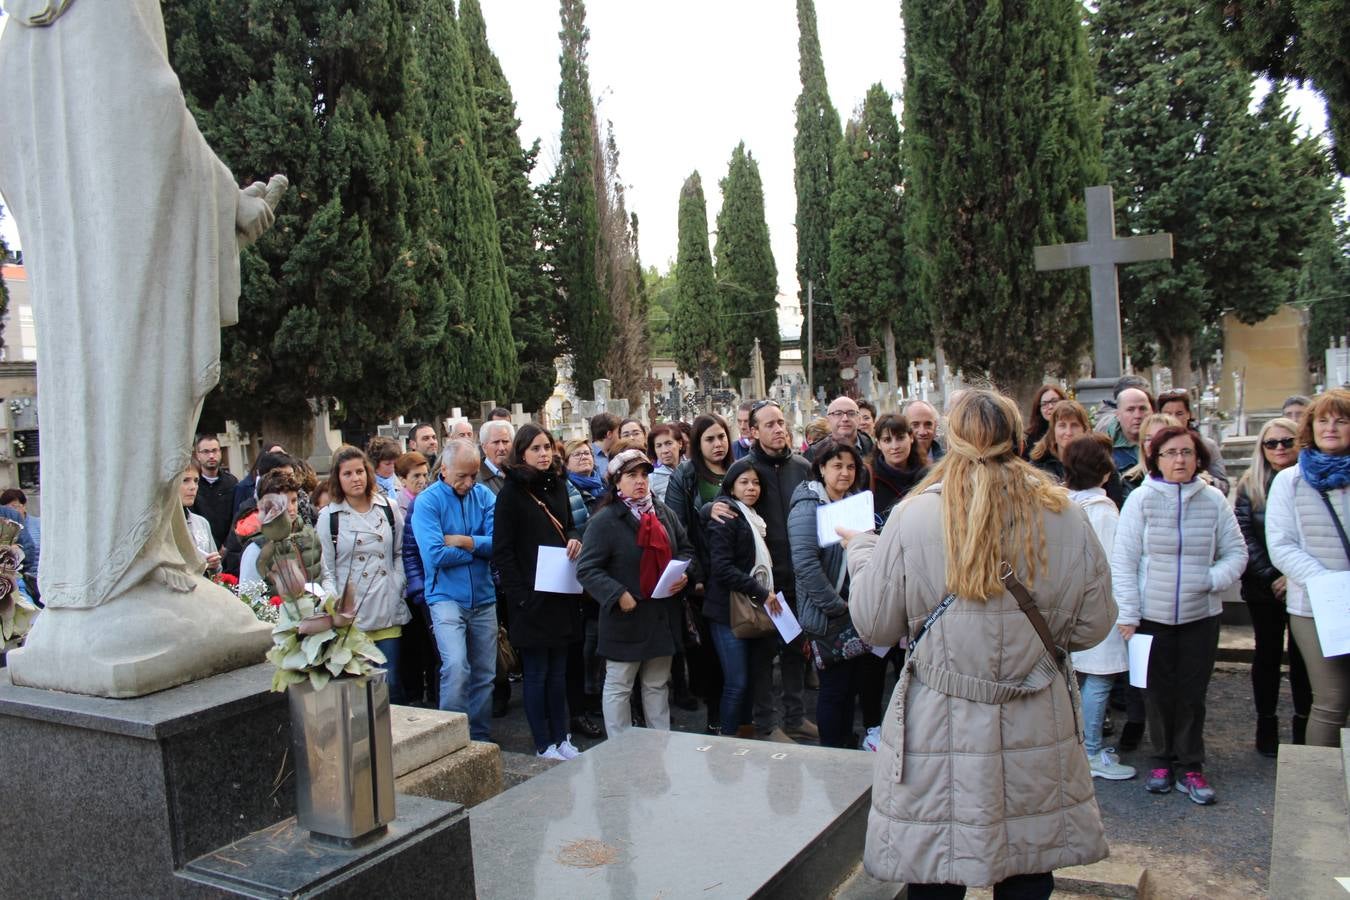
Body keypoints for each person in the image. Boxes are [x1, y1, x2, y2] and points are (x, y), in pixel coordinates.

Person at [0, 0, 288, 697]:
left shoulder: (15, 31)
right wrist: (227, 202)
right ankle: (127, 577)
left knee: (87, 400)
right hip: (125, 265)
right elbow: (151, 107)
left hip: (73, 286)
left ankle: (104, 579)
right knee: (139, 387)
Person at [843, 389, 1115, 894]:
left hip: (941, 715)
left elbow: (875, 625)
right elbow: (1093, 625)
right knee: (1028, 866)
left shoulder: (914, 515)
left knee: (937, 861)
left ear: (953, 438)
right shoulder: (1065, 514)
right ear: (1018, 437)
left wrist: (861, 552)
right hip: (1035, 710)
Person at [1113, 425, 1247, 803]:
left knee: (1191, 694)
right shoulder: (1141, 499)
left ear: (1198, 458)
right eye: (1170, 453)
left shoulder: (1213, 501)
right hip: (1151, 617)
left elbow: (1236, 553)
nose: (1179, 460)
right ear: (1155, 459)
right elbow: (1124, 560)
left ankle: (1190, 765)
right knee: (1155, 692)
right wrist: (1129, 612)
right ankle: (1160, 760)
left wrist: (1208, 579)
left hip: (1199, 616)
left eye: (1186, 453)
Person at [577, 449, 694, 737]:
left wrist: (684, 575)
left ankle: (659, 743)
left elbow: (686, 548)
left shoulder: (662, 512)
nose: (640, 481)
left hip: (659, 615)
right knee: (619, 686)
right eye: (631, 475)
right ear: (617, 481)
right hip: (625, 618)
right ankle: (621, 748)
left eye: (644, 474)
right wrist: (617, 594)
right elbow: (587, 569)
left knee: (656, 684)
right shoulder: (604, 521)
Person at [493, 424, 583, 760]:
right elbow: (503, 550)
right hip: (530, 599)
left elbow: (569, 523)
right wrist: (520, 597)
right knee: (536, 674)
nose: (544, 454)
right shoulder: (511, 494)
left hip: (559, 590)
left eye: (547, 447)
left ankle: (562, 737)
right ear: (522, 453)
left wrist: (575, 537)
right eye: (536, 449)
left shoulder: (558, 484)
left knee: (559, 671)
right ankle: (543, 742)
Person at [1267, 388, 1350, 748]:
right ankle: (1322, 790)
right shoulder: (1291, 480)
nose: (1330, 427)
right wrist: (1327, 583)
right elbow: (1281, 544)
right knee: (1331, 700)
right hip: (1316, 606)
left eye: (1341, 420)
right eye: (1322, 420)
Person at [735, 400, 817, 743]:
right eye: (769, 424)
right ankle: (767, 724)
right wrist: (714, 509)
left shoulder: (802, 465)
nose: (779, 428)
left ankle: (796, 717)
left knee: (796, 650)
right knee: (764, 656)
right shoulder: (747, 468)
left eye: (781, 422)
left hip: (799, 575)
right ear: (753, 431)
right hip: (765, 581)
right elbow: (727, 500)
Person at [1234, 417, 1311, 754]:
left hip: (1304, 582)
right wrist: (1271, 576)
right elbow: (1245, 536)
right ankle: (1266, 723)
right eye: (1271, 443)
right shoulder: (1250, 485)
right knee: (1266, 653)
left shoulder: (1309, 481)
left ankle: (1304, 723)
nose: (1279, 448)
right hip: (1263, 587)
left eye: (1286, 441)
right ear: (1261, 449)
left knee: (1303, 656)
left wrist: (1293, 575)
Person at [412, 440, 498, 741]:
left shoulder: (484, 495)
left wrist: (464, 542)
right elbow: (435, 554)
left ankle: (480, 735)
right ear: (444, 469)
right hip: (445, 596)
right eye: (462, 476)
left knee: (486, 673)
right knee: (457, 667)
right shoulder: (427, 501)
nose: (469, 482)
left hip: (484, 596)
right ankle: (450, 738)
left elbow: (498, 543)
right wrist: (478, 548)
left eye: (473, 475)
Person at [1061, 434, 1135, 781]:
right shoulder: (1103, 514)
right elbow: (1111, 565)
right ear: (1105, 472)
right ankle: (1089, 750)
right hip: (1097, 604)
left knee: (1075, 678)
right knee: (1100, 678)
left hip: (1065, 603)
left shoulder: (1060, 505)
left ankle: (1073, 746)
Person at [789, 440, 869, 749]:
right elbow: (806, 565)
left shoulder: (851, 502)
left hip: (852, 607)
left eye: (850, 467)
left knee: (850, 686)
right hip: (828, 612)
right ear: (821, 469)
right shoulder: (809, 506)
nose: (845, 473)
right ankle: (833, 750)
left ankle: (846, 741)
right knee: (834, 688)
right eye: (837, 466)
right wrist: (837, 606)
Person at [318, 445, 411, 703]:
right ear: (337, 478)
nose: (355, 478)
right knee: (361, 688)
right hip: (352, 614)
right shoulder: (329, 517)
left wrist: (398, 581)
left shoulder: (388, 508)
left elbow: (401, 551)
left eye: (359, 471)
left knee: (391, 682)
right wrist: (335, 603)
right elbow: (326, 567)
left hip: (387, 607)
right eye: (347, 473)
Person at [665, 413, 733, 732]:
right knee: (713, 656)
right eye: (709, 439)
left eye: (721, 437)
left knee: (742, 652)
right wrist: (696, 575)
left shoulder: (738, 469)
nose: (718, 444)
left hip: (739, 574)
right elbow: (677, 528)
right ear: (697, 444)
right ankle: (716, 718)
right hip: (705, 580)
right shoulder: (687, 475)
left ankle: (742, 718)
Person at [703, 459, 771, 737]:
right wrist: (761, 591)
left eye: (755, 482)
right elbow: (722, 568)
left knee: (750, 681)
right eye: (744, 482)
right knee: (737, 681)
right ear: (731, 487)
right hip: (726, 610)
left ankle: (745, 735)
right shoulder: (727, 516)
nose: (751, 488)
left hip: (752, 607)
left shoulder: (757, 519)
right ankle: (727, 740)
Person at [1157, 389, 1229, 493]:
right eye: (1168, 414)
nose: (1173, 419)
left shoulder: (1207, 446)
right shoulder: (1152, 445)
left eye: (1179, 413)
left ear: (1188, 414)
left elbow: (1224, 486)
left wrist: (1208, 481)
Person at [870, 413, 929, 526]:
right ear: (878, 444)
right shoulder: (869, 477)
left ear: (911, 438)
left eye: (900, 438)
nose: (895, 446)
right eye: (887, 440)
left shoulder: (927, 475)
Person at [191, 434, 238, 549]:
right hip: (201, 547)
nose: (211, 455)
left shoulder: (231, 482)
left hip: (228, 549)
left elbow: (237, 516)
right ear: (198, 455)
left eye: (214, 450)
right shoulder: (192, 484)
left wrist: (227, 546)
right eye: (206, 452)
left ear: (220, 452)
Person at [1029, 398, 1090, 483]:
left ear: (1085, 430)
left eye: (1074, 425)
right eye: (1062, 425)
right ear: (1053, 430)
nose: (1068, 432)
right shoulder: (1037, 466)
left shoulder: (1097, 463)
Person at [179, 461, 220, 576]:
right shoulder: (162, 525)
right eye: (185, 480)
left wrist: (214, 565)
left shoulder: (201, 523)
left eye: (196, 481)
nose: (193, 487)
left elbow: (218, 571)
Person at [1105, 387, 1153, 473]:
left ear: (1151, 412)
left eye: (1142, 409)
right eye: (1130, 410)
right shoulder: (1106, 449)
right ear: (1118, 415)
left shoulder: (1165, 442)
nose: (1137, 415)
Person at [1023, 384, 1067, 458]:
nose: (1050, 407)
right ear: (1039, 409)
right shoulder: (1033, 437)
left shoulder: (1071, 431)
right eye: (1044, 404)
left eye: (1054, 401)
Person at [647, 424, 683, 504]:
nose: (664, 451)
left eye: (669, 443)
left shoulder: (692, 467)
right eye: (658, 446)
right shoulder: (652, 478)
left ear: (680, 443)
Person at [477, 420, 513, 495]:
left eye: (505, 442)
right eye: (496, 442)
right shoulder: (475, 479)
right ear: (484, 447)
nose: (502, 448)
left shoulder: (520, 473)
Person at [902, 399, 942, 463]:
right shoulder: (895, 465)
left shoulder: (948, 463)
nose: (922, 432)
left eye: (928, 424)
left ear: (935, 426)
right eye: (915, 425)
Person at [394, 451, 431, 518]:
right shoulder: (396, 506)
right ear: (402, 479)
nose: (422, 481)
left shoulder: (432, 500)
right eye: (416, 476)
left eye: (425, 475)